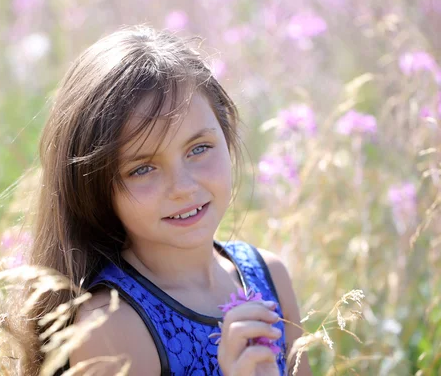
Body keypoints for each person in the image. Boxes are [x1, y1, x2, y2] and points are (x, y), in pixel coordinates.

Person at [22, 25, 311, 376]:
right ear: (95, 186)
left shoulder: (269, 278)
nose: (183, 187)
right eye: (143, 169)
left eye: (199, 148)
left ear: (227, 132)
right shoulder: (111, 326)